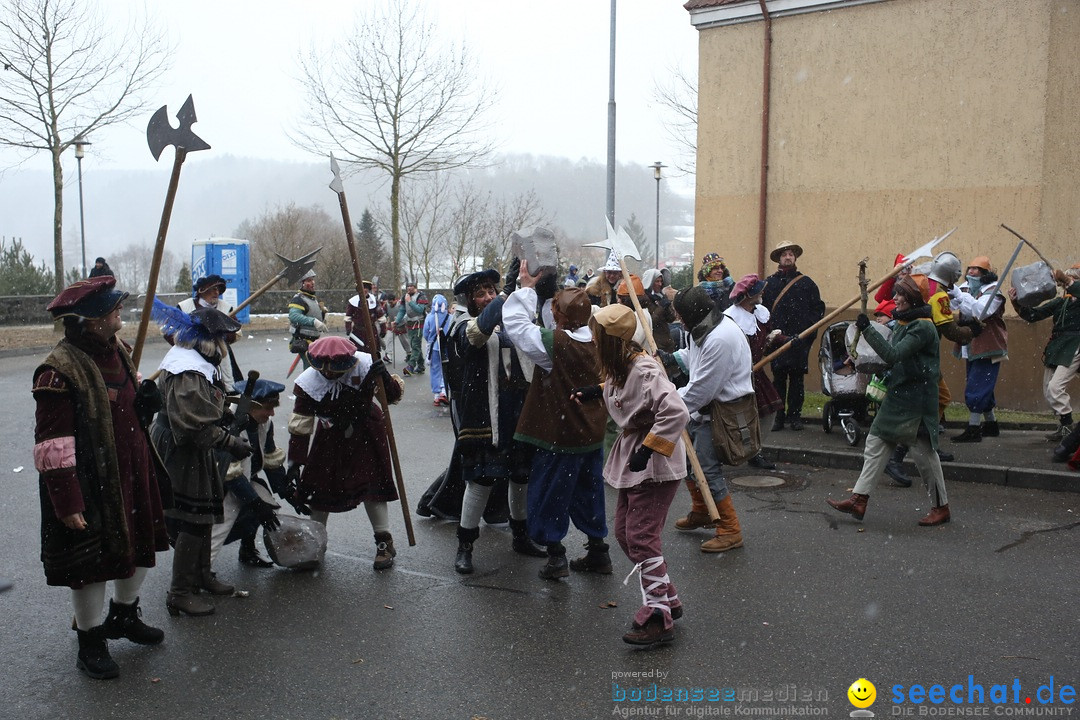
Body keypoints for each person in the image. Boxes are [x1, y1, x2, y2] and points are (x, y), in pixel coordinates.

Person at [33, 276, 170, 679]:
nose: (119, 312)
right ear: (90, 320)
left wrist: (146, 401)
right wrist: (68, 502)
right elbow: (51, 446)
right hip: (90, 482)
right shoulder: (56, 372)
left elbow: (127, 403)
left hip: (131, 471)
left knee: (140, 543)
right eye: (111, 308)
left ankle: (124, 616)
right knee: (89, 564)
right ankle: (90, 641)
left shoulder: (119, 351)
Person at [586, 304, 689, 646]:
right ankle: (667, 597)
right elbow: (623, 389)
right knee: (625, 534)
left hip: (654, 463)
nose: (593, 341)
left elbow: (675, 410)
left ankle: (658, 616)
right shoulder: (622, 365)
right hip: (635, 457)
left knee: (641, 537)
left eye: (598, 336)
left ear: (612, 340)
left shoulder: (645, 368)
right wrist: (596, 391)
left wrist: (649, 447)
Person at [503, 263, 609, 580]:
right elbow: (565, 323)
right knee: (590, 492)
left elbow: (518, 327)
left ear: (559, 317)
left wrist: (526, 287)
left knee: (550, 494)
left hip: (559, 435)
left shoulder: (555, 345)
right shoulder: (598, 339)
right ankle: (598, 551)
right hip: (590, 433)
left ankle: (556, 557)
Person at [150, 300, 253, 617]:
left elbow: (208, 405)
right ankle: (180, 591)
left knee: (207, 511)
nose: (229, 343)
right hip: (183, 448)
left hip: (195, 446)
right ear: (211, 340)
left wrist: (227, 410)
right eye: (226, 338)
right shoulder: (188, 370)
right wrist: (231, 442)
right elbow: (194, 424)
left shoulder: (196, 362)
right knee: (193, 518)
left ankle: (203, 575)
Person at [826, 275, 951, 526]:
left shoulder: (923, 327)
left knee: (924, 454)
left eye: (900, 294)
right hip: (899, 396)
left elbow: (893, 355)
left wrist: (868, 329)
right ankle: (859, 499)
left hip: (917, 401)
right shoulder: (907, 322)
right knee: (875, 441)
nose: (895, 299)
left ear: (912, 297)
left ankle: (941, 507)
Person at [448, 267, 546, 574]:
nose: (488, 296)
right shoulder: (464, 325)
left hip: (520, 408)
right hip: (487, 414)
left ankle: (520, 536)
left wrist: (524, 278)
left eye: (491, 290)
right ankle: (465, 545)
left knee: (520, 476)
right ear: (470, 299)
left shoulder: (512, 319)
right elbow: (477, 336)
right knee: (482, 480)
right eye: (481, 293)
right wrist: (505, 296)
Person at [284, 336, 405, 570]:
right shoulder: (307, 383)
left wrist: (384, 377)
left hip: (367, 430)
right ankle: (316, 542)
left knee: (373, 486)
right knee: (318, 487)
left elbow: (389, 397)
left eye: (336, 369)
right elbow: (300, 425)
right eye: (324, 370)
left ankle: (384, 542)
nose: (329, 374)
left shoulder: (367, 364)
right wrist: (294, 462)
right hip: (330, 435)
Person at [670, 285, 754, 552]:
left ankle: (730, 529)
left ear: (692, 313)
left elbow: (702, 390)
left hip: (720, 411)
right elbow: (695, 357)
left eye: (681, 315)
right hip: (704, 409)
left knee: (706, 469)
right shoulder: (706, 325)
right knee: (686, 462)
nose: (679, 321)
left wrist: (667, 403)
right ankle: (703, 510)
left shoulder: (720, 338)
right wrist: (671, 359)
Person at [210, 379, 287, 571]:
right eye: (268, 408)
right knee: (220, 528)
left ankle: (247, 549)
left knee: (267, 506)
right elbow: (230, 473)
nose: (272, 413)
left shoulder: (265, 424)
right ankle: (197, 573)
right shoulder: (230, 426)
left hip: (244, 479)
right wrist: (254, 502)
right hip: (220, 485)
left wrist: (288, 491)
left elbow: (269, 458)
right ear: (251, 407)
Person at [1009, 263, 1080, 442]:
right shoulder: (1060, 301)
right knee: (1049, 390)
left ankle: (1068, 425)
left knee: (1056, 388)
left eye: (1074, 280)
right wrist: (1016, 302)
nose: (1068, 285)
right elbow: (1033, 316)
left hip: (1075, 346)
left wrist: (1065, 278)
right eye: (1068, 281)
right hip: (1058, 347)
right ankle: (1065, 426)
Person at [762, 240, 825, 432]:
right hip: (779, 341)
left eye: (790, 254)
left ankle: (795, 417)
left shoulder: (806, 283)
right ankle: (778, 417)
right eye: (784, 254)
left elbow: (817, 310)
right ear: (779, 259)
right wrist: (771, 336)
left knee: (797, 381)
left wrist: (806, 335)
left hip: (799, 341)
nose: (788, 257)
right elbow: (762, 312)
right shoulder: (770, 284)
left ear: (795, 257)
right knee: (779, 381)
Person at [725, 274, 784, 470]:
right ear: (749, 296)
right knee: (737, 416)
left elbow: (766, 337)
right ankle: (736, 450)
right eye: (758, 290)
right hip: (737, 374)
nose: (762, 293)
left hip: (756, 373)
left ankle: (754, 451)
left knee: (767, 412)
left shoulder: (759, 312)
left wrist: (788, 340)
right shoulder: (731, 319)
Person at [949, 256, 1007, 443]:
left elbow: (981, 312)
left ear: (985, 273)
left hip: (988, 344)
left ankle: (973, 429)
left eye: (976, 269)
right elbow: (952, 306)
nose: (971, 272)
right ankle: (991, 424)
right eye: (970, 269)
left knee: (977, 386)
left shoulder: (994, 291)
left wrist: (959, 295)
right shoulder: (964, 288)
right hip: (971, 344)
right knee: (982, 385)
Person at [175, 274, 239, 392]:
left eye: (218, 289)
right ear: (202, 290)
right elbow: (170, 332)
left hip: (219, 356)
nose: (217, 292)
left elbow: (236, 332)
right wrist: (190, 341)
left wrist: (220, 334)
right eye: (213, 289)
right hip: (190, 355)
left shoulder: (225, 308)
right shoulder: (184, 307)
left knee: (224, 388)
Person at [288, 270, 329, 370]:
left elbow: (310, 313)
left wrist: (323, 314)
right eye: (309, 281)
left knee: (315, 369)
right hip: (304, 341)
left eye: (312, 280)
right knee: (311, 371)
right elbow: (294, 317)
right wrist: (313, 321)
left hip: (313, 340)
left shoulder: (311, 298)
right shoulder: (299, 299)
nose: (312, 283)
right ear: (302, 284)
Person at [345, 280, 386, 360]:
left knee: (373, 353)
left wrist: (383, 329)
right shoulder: (353, 301)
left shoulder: (374, 301)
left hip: (371, 331)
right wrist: (348, 328)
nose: (365, 290)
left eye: (366, 288)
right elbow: (348, 317)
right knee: (357, 353)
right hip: (358, 331)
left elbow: (380, 317)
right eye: (363, 287)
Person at [423, 293, 452, 406]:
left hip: (434, 347)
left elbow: (426, 333)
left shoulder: (430, 317)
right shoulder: (450, 317)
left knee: (435, 369)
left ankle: (436, 394)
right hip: (447, 347)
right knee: (446, 368)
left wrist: (431, 339)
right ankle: (444, 391)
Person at [395, 279, 428, 374]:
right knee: (414, 344)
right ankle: (421, 366)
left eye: (411, 286)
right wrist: (397, 321)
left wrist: (410, 302)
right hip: (409, 324)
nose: (409, 288)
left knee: (415, 345)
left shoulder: (421, 296)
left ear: (415, 287)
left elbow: (419, 310)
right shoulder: (404, 297)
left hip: (419, 323)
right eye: (408, 286)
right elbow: (402, 310)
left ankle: (411, 366)